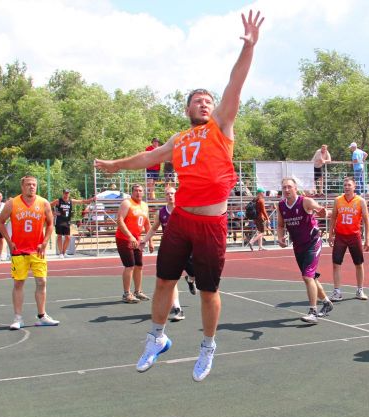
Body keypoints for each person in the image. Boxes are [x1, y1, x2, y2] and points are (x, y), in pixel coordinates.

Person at [94, 10, 264, 382]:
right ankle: (156, 337)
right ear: (187, 108)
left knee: (208, 290)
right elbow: (148, 158)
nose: (204, 104)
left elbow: (235, 84)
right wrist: (115, 165)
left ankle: (208, 346)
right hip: (181, 219)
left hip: (211, 223)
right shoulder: (180, 138)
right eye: (198, 100)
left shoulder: (221, 126)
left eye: (208, 100)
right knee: (164, 281)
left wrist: (249, 47)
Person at [0, 175, 59, 330]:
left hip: (37, 250)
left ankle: (42, 316)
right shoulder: (12, 203)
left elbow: (50, 224)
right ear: (22, 186)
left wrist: (45, 242)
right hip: (19, 250)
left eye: (34, 184)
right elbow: (0, 222)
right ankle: (18, 318)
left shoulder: (43, 203)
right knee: (18, 283)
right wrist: (9, 241)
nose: (32, 187)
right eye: (29, 184)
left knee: (42, 281)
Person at [277, 177, 334, 324]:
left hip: (312, 242)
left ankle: (313, 312)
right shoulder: (281, 206)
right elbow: (280, 225)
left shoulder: (305, 201)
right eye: (284, 187)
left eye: (289, 187)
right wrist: (280, 238)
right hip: (298, 245)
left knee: (307, 277)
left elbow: (321, 210)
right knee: (311, 277)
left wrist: (323, 212)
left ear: (295, 188)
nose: (287, 190)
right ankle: (326, 303)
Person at [140, 185, 195, 322]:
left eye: (172, 193)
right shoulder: (161, 212)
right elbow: (153, 228)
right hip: (170, 249)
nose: (170, 196)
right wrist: (144, 240)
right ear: (164, 196)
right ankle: (178, 309)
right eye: (167, 194)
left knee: (194, 273)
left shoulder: (183, 209)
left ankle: (190, 280)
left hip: (186, 248)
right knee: (171, 281)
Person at [329, 177, 369, 302]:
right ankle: (337, 291)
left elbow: (366, 221)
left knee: (359, 264)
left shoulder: (360, 201)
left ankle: (360, 290)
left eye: (349, 185)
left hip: (354, 236)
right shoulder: (338, 200)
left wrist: (367, 239)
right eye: (345, 185)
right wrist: (330, 234)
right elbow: (333, 218)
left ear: (354, 187)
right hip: (340, 236)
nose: (347, 187)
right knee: (336, 264)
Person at [114, 184, 151, 303]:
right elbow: (119, 220)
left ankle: (138, 291)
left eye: (140, 190)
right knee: (129, 265)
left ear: (143, 192)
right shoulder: (127, 203)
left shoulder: (145, 205)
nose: (138, 192)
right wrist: (130, 236)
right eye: (136, 190)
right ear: (132, 192)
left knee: (139, 265)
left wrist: (150, 241)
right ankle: (126, 294)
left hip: (137, 239)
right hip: (124, 238)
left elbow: (147, 224)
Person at [51, 189, 93, 259]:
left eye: (67, 193)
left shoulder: (71, 201)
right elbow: (49, 205)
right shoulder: (58, 201)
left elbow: (82, 201)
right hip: (59, 221)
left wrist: (91, 200)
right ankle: (60, 253)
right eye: (65, 193)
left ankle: (64, 252)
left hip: (67, 221)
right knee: (59, 236)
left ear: (69, 194)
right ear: (63, 193)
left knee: (68, 237)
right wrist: (53, 213)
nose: (66, 194)